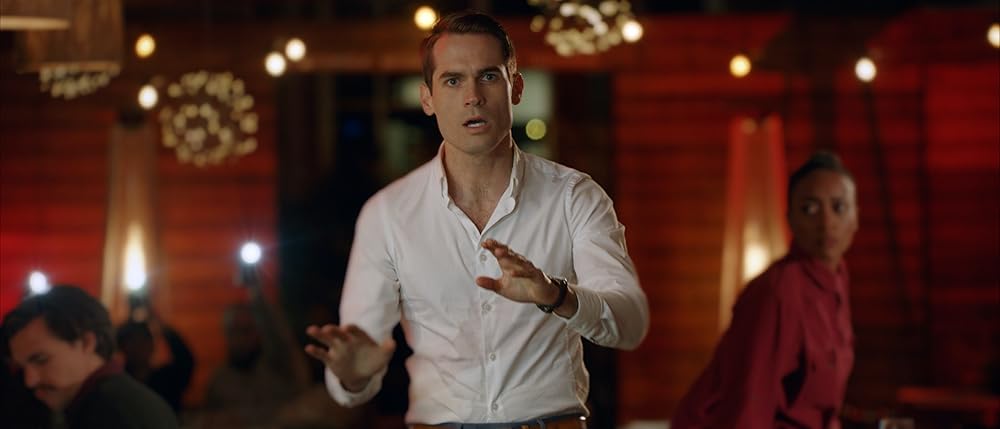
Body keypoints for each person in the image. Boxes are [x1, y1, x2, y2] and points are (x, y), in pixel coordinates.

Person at [303, 10, 649, 428]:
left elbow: (630, 323)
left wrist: (557, 295)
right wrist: (354, 374)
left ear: (515, 87)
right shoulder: (387, 214)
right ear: (427, 99)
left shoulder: (574, 196)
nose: (473, 96)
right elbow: (354, 371)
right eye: (453, 80)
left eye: (488, 76)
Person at [672, 151, 859, 429]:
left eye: (839, 207)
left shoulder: (837, 279)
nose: (826, 222)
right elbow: (749, 406)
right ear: (790, 218)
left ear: (855, 217)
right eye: (810, 209)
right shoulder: (779, 290)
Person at [1, 285, 178, 429]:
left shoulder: (115, 414)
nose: (30, 380)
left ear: (87, 342)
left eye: (41, 360)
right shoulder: (112, 403)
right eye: (21, 368)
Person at [116, 316, 195, 415]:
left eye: (143, 340)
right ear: (122, 347)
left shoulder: (168, 379)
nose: (138, 347)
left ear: (152, 344)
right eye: (132, 341)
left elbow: (185, 361)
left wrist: (162, 326)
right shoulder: (118, 385)